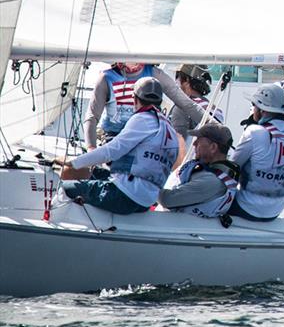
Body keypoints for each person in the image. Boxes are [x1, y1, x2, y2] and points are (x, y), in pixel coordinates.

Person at [54, 77, 179, 214]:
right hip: (145, 201)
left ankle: (52, 221)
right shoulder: (168, 127)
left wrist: (73, 162)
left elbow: (112, 151)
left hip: (124, 196)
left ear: (135, 99)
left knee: (66, 188)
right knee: (90, 172)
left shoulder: (143, 118)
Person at [228, 83, 284, 222]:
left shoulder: (254, 132)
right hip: (275, 211)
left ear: (261, 110)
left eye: (254, 106)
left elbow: (232, 167)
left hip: (246, 207)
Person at [84, 62, 205, 150]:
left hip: (146, 143)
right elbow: (92, 116)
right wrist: (91, 148)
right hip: (114, 140)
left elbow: (187, 105)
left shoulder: (155, 74)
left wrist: (215, 125)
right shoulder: (106, 78)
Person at [158, 124, 239, 218]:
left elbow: (167, 199)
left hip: (180, 228)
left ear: (213, 147)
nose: (194, 144)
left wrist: (147, 185)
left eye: (199, 140)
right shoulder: (207, 170)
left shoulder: (212, 181)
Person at [170, 63, 224, 141]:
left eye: (177, 76)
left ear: (187, 80)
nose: (175, 81)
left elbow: (175, 143)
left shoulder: (182, 108)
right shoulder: (214, 109)